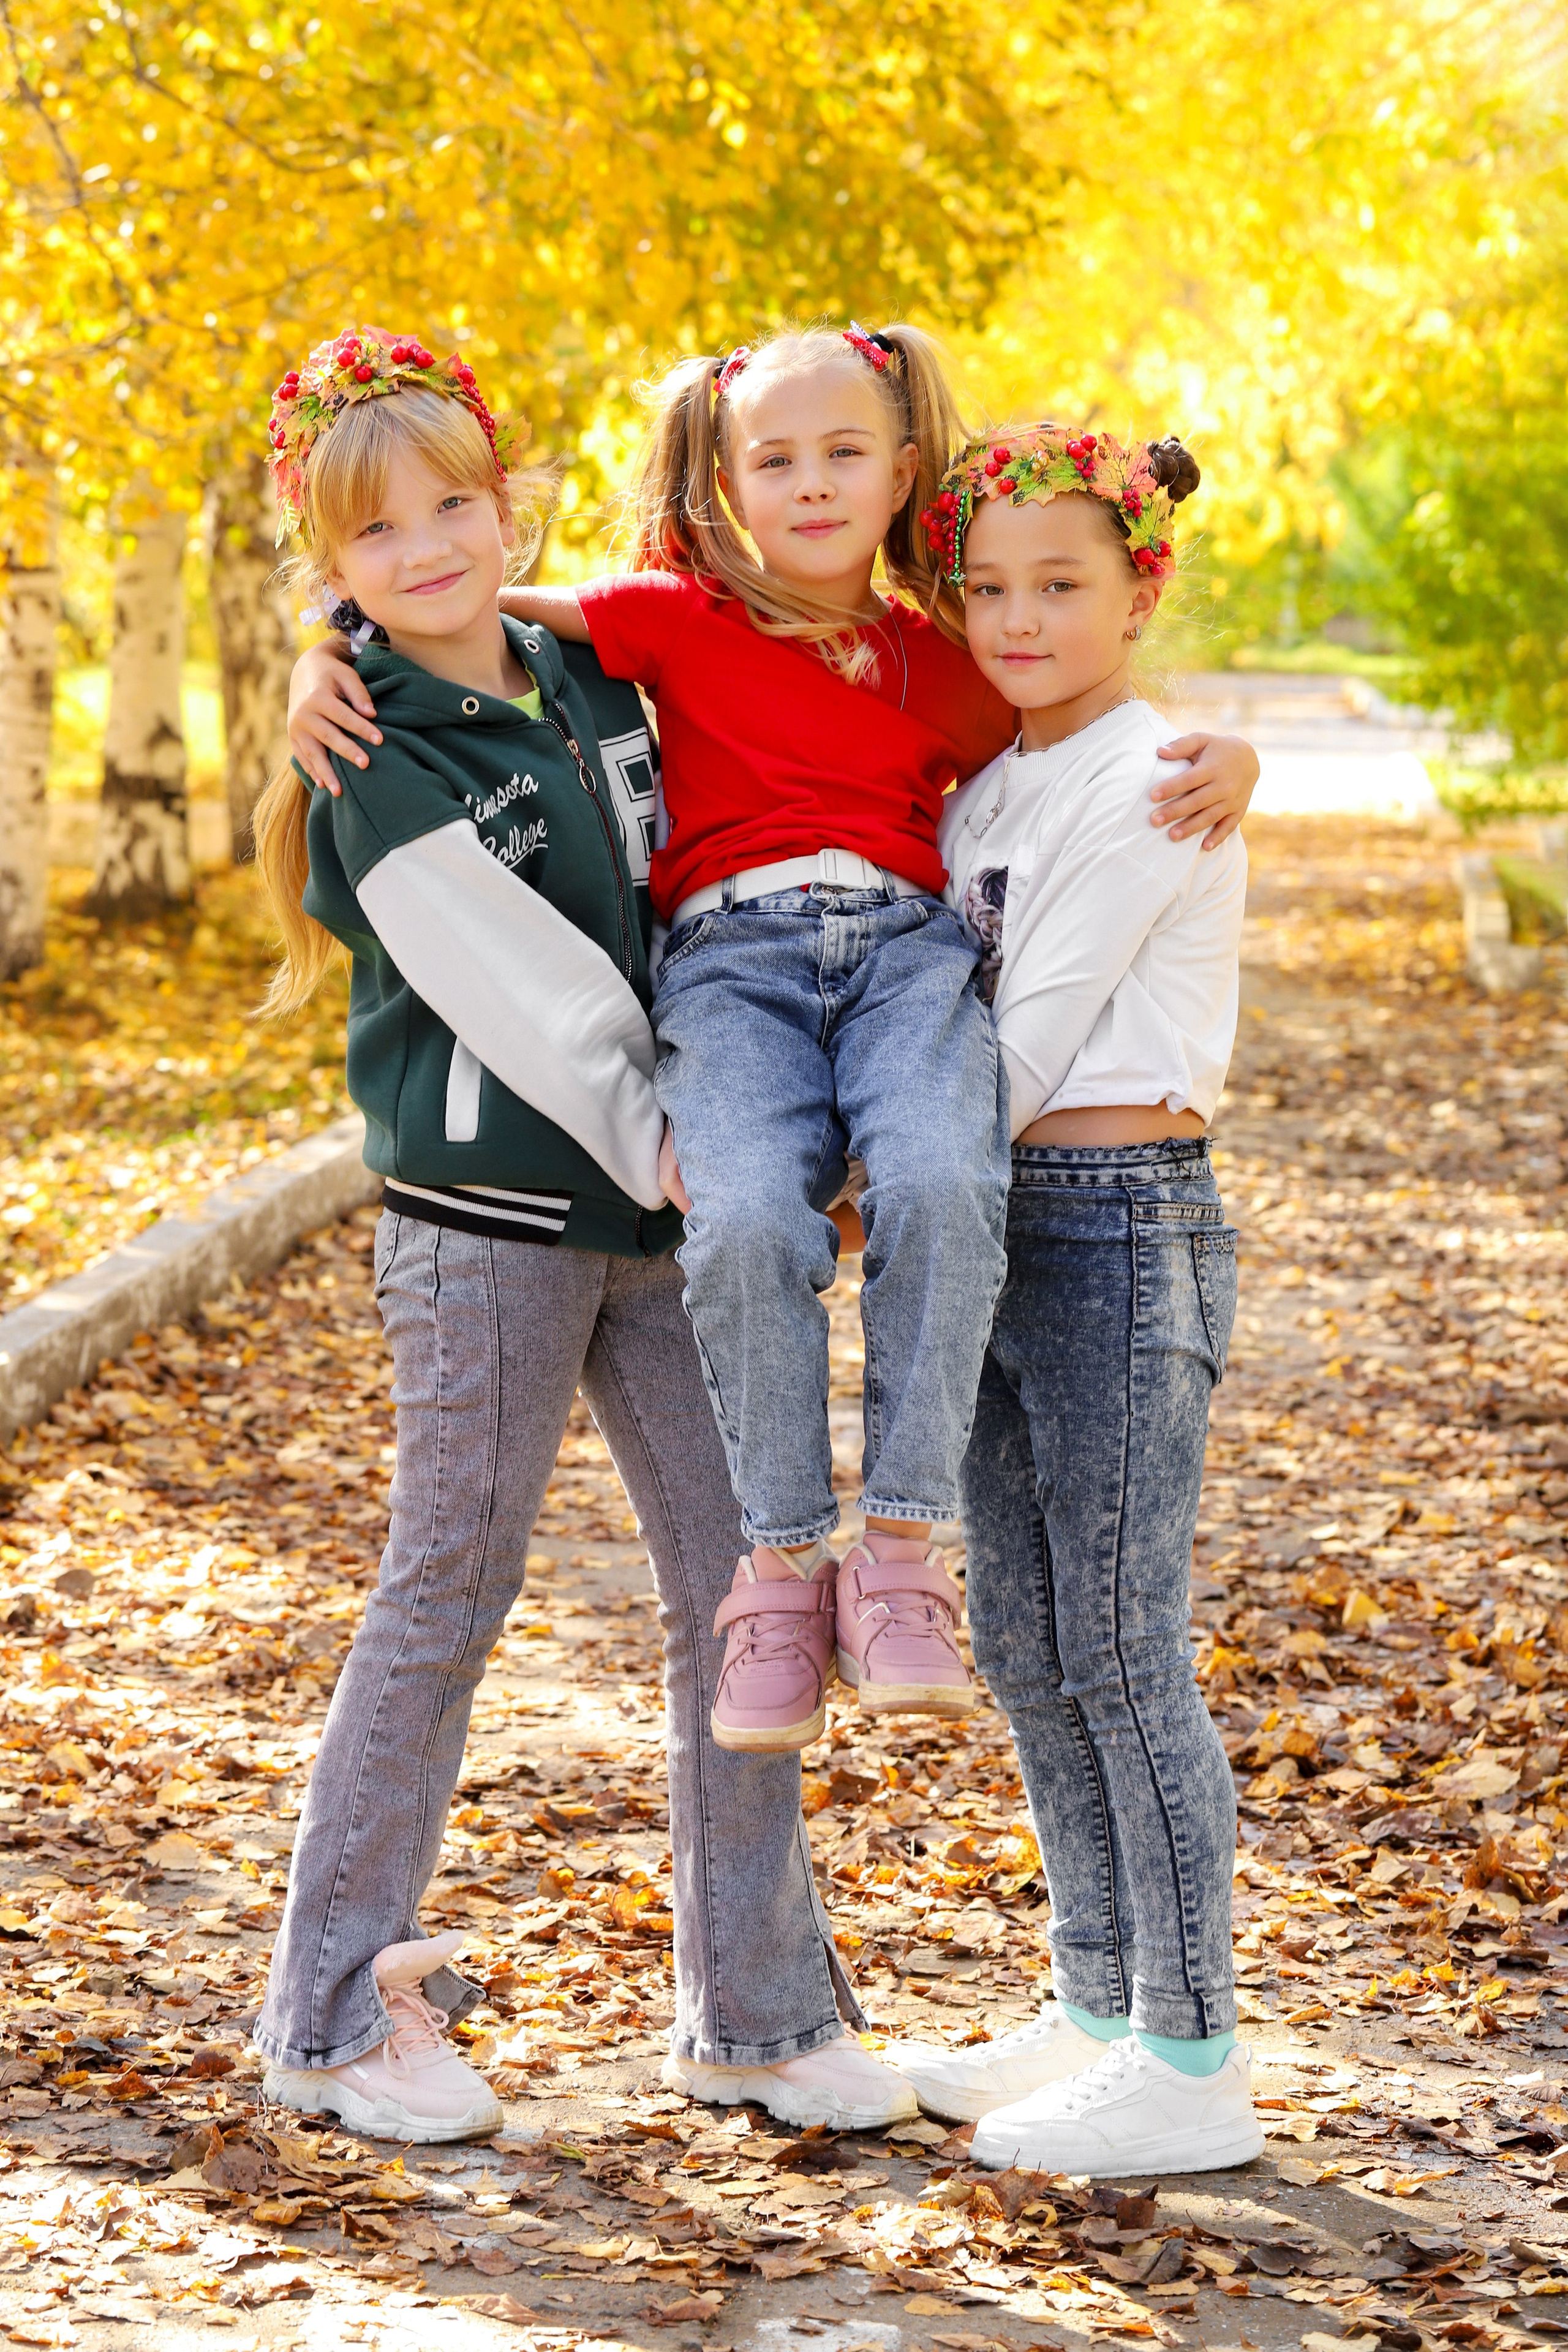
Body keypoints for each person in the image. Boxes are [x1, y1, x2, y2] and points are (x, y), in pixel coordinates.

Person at [287, 323, 1261, 1770]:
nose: (810, 485)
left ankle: (903, 1545)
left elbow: (1086, 711)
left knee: (944, 1173)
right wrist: (321, 654)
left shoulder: (948, 660)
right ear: (728, 483)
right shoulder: (670, 616)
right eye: (776, 460)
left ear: (899, 469)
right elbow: (464, 598)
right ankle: (780, 1566)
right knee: (738, 1215)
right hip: (729, 968)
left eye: (843, 454)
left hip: (905, 956)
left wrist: (1233, 759)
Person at [248, 324, 920, 2141]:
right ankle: (327, 2014)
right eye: (379, 537)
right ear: (333, 565)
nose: (431, 552)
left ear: (505, 501)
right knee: (445, 1592)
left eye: (456, 505)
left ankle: (762, 2015)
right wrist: (697, 1148)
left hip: (672, 1214)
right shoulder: (375, 741)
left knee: (750, 1590)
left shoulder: (585, 669)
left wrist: (791, 1134)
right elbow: (527, 996)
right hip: (497, 1225)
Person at [889, 426, 1264, 2176]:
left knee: (1121, 1642)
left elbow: (1030, 1028)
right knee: (1033, 1640)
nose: (1022, 618)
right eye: (990, 589)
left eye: (1064, 585)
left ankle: (1193, 2059)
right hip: (995, 1221)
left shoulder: (1154, 775)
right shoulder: (988, 783)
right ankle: (1100, 2005)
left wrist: (851, 1202)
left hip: (1116, 1218)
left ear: (1142, 587)